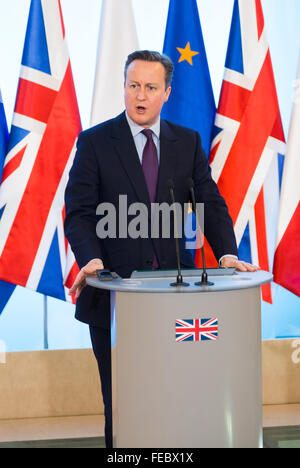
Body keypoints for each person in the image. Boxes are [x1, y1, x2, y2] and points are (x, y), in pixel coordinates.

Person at [64, 50, 259, 447]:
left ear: (166, 93)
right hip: (115, 296)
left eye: (150, 87)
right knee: (121, 403)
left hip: (178, 299)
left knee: (178, 398)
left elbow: (209, 201)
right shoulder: (96, 142)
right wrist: (92, 259)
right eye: (133, 85)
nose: (140, 95)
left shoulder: (185, 142)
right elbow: (80, 213)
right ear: (123, 88)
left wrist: (226, 254)